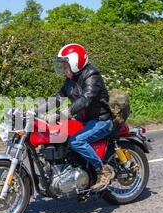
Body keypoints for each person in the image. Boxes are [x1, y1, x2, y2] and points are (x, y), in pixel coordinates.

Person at [43, 43, 115, 191]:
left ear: (75, 63)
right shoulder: (71, 79)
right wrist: (36, 110)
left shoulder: (91, 76)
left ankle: (103, 170)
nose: (63, 69)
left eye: (65, 65)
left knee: (77, 141)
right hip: (84, 119)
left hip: (101, 120)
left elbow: (85, 99)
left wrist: (63, 114)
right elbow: (59, 97)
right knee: (57, 134)